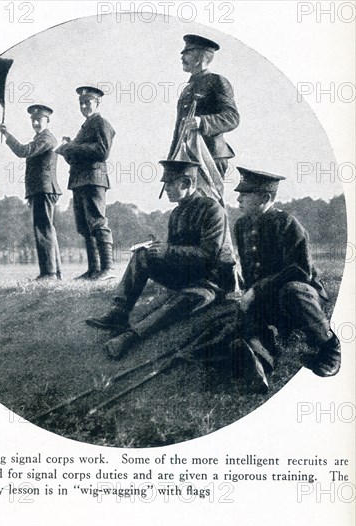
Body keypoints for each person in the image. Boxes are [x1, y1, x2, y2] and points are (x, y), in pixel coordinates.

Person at [86, 160, 229, 359]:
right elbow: (176, 250)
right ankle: (119, 312)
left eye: (170, 184)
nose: (166, 189)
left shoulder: (212, 210)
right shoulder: (177, 213)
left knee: (182, 302)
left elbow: (209, 254)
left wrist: (168, 251)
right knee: (142, 255)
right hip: (185, 276)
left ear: (186, 184)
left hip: (209, 282)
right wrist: (159, 249)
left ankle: (129, 338)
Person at [233, 167, 341, 392]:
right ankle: (261, 362)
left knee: (292, 290)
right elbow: (250, 269)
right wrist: (247, 291)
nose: (238, 197)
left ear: (265, 197)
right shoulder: (241, 226)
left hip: (297, 296)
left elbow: (301, 271)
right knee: (244, 321)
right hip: (268, 299)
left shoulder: (287, 223)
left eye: (246, 193)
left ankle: (329, 347)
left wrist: (257, 290)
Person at [168, 34, 240, 199]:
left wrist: (202, 122)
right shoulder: (187, 89)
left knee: (209, 203)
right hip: (186, 157)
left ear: (199, 57)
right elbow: (179, 129)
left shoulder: (217, 82)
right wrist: (172, 159)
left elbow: (232, 117)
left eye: (187, 52)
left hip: (210, 155)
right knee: (189, 204)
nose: (182, 56)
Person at [57, 86, 116, 281]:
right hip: (80, 180)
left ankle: (108, 269)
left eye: (88, 102)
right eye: (81, 103)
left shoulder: (101, 123)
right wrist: (66, 150)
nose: (84, 106)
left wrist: (73, 146)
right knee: (84, 226)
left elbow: (102, 151)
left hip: (94, 178)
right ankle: (94, 269)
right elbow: (76, 158)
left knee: (97, 222)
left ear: (97, 103)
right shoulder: (85, 127)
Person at [0, 104, 62, 280]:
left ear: (47, 121)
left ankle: (49, 273)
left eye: (39, 119)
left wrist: (7, 135)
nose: (35, 122)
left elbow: (23, 151)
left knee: (44, 230)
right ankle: (54, 272)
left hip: (44, 189)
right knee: (47, 229)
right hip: (40, 190)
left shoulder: (46, 139)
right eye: (33, 120)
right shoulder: (41, 138)